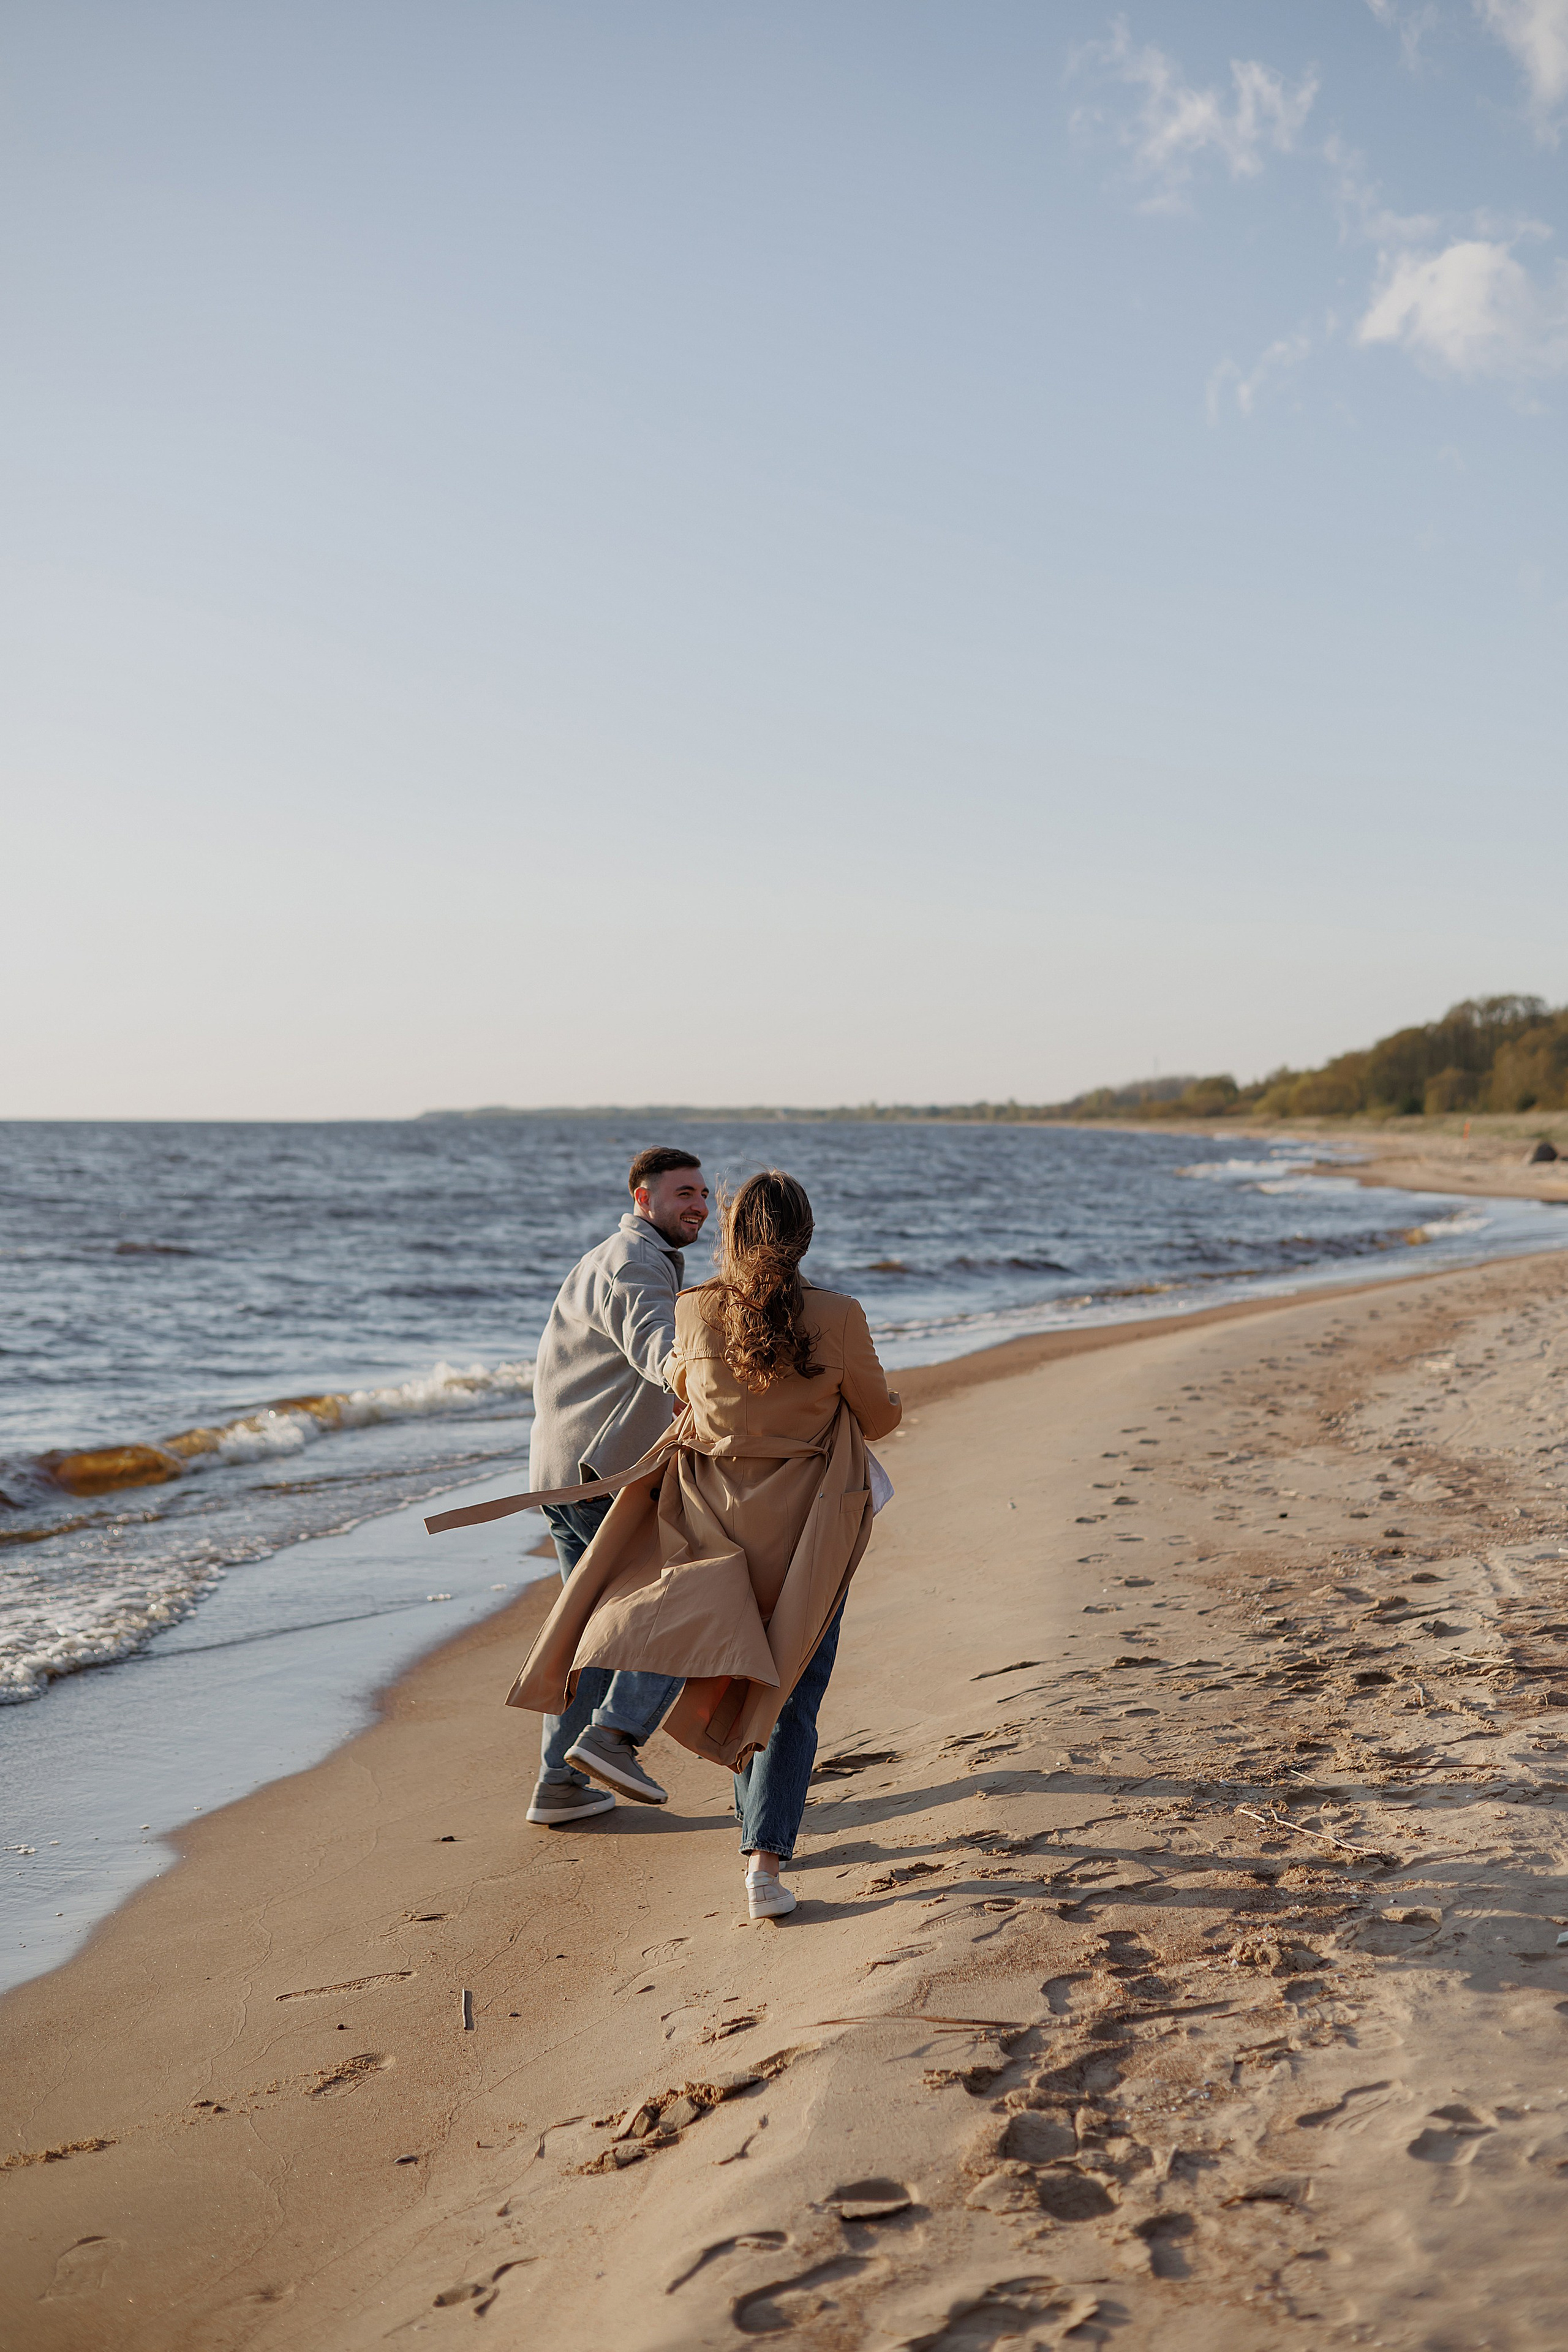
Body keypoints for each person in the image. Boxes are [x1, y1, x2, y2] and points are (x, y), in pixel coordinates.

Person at [504, 1169, 900, 1920]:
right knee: (790, 1694)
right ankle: (764, 1866)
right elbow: (877, 1419)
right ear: (805, 1235)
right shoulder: (840, 1314)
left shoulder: (693, 1311)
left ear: (730, 1231)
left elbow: (688, 1394)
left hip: (715, 1527)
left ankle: (591, 1754)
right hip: (807, 1531)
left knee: (729, 1669)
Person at [522, 1146, 709, 1826]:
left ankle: (560, 1786)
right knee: (687, 1595)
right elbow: (662, 1356)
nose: (697, 1205)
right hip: (601, 1476)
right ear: (642, 1198)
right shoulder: (635, 1262)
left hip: (563, 1472)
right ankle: (613, 1737)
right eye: (682, 1193)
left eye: (703, 1194)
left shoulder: (616, 1256)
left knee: (588, 1634)